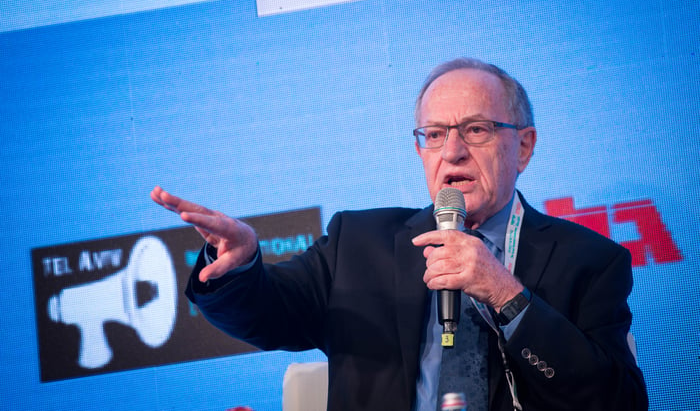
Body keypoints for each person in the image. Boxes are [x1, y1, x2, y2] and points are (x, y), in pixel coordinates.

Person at [151, 58, 648, 410]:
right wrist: (239, 266)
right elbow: (270, 315)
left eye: (475, 129)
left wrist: (507, 294)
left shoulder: (590, 261)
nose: (451, 151)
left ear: (523, 147)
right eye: (434, 135)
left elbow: (616, 402)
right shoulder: (359, 243)